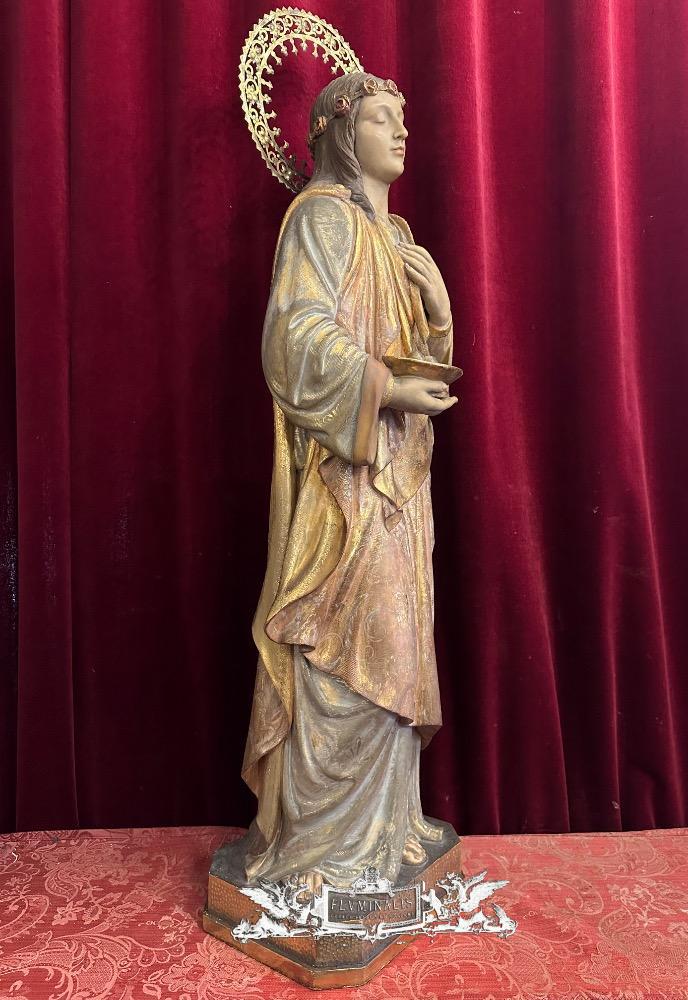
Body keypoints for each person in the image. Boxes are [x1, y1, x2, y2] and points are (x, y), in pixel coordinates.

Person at [241, 71, 457, 895]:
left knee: (396, 645)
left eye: (403, 118)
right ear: (340, 132)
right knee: (344, 647)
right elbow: (293, 336)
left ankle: (387, 828)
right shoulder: (322, 218)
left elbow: (415, 351)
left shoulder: (397, 236)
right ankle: (323, 849)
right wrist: (384, 387)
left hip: (399, 477)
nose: (400, 131)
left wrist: (438, 311)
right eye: (380, 118)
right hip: (345, 481)